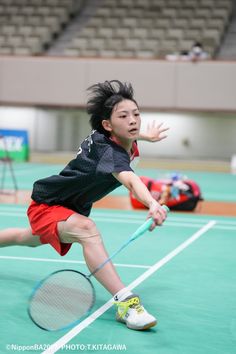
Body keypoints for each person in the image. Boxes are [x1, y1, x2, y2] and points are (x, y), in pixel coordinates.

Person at [0, 80, 169, 331]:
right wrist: (152, 203)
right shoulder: (109, 152)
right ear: (107, 125)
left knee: (28, 237)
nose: (133, 121)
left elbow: (131, 135)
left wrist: (148, 136)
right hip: (48, 205)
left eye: (136, 114)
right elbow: (131, 181)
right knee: (87, 230)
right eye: (124, 116)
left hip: (68, 206)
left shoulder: (116, 135)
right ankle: (126, 303)